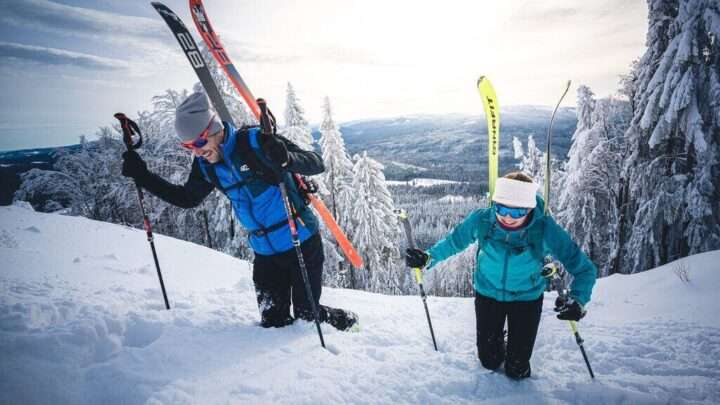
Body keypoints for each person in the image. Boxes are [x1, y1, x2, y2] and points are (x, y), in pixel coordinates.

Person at [121, 92, 358, 331]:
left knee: (308, 316)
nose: (197, 152)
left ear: (214, 130)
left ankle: (347, 322)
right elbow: (187, 198)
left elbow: (316, 162)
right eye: (188, 147)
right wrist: (144, 177)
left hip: (301, 240)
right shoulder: (205, 166)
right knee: (272, 322)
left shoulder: (255, 142)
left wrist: (286, 159)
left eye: (200, 143)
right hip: (265, 252)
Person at [405, 172, 596, 379]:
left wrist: (578, 300)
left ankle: (516, 354)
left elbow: (585, 269)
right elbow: (454, 242)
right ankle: (499, 344)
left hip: (526, 298)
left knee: (518, 369)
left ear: (530, 208)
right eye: (501, 208)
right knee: (489, 361)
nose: (507, 217)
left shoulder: (544, 229)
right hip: (488, 294)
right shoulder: (483, 220)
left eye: (517, 212)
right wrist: (427, 258)